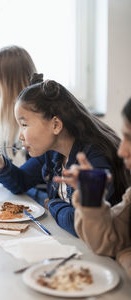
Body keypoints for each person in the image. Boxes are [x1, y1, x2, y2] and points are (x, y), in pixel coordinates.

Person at [0, 74, 130, 237]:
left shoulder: (94, 159)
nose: (21, 136)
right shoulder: (52, 151)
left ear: (56, 125)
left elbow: (83, 225)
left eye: (25, 125)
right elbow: (20, 183)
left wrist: (52, 203)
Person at [55, 98, 131, 279]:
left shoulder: (95, 154)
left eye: (130, 138)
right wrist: (91, 198)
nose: (121, 151)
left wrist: (125, 254)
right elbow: (106, 242)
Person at [0, 45, 47, 202]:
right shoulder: (21, 120)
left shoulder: (40, 125)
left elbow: (21, 181)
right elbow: (13, 164)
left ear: (11, 85)